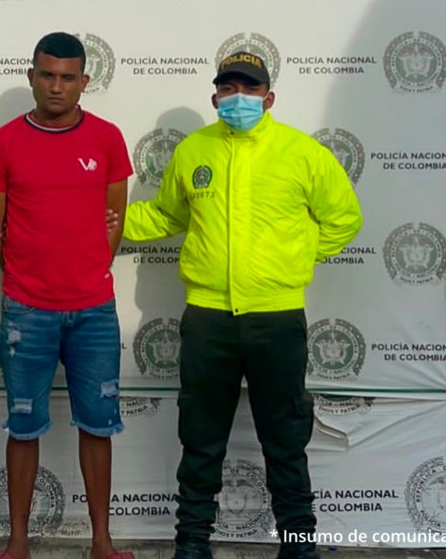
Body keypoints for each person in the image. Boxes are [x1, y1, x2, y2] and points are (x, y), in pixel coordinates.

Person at [122, 51, 363, 559]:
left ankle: (298, 544)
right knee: (201, 435)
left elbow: (344, 220)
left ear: (268, 98)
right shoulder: (194, 151)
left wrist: (291, 262)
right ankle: (192, 542)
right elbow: (165, 216)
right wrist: (96, 218)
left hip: (277, 318)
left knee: (286, 436)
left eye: (248, 90)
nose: (238, 99)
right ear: (214, 98)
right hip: (208, 318)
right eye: (228, 90)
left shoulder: (302, 154)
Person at [0, 32, 135, 559]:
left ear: (84, 82)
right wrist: (31, 275)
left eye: (68, 77)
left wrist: (85, 268)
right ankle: (17, 542)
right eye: (47, 75)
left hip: (95, 311)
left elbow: (114, 220)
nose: (56, 86)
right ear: (31, 77)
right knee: (24, 427)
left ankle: (102, 543)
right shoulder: (4, 142)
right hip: (27, 311)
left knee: (98, 425)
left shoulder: (108, 139)